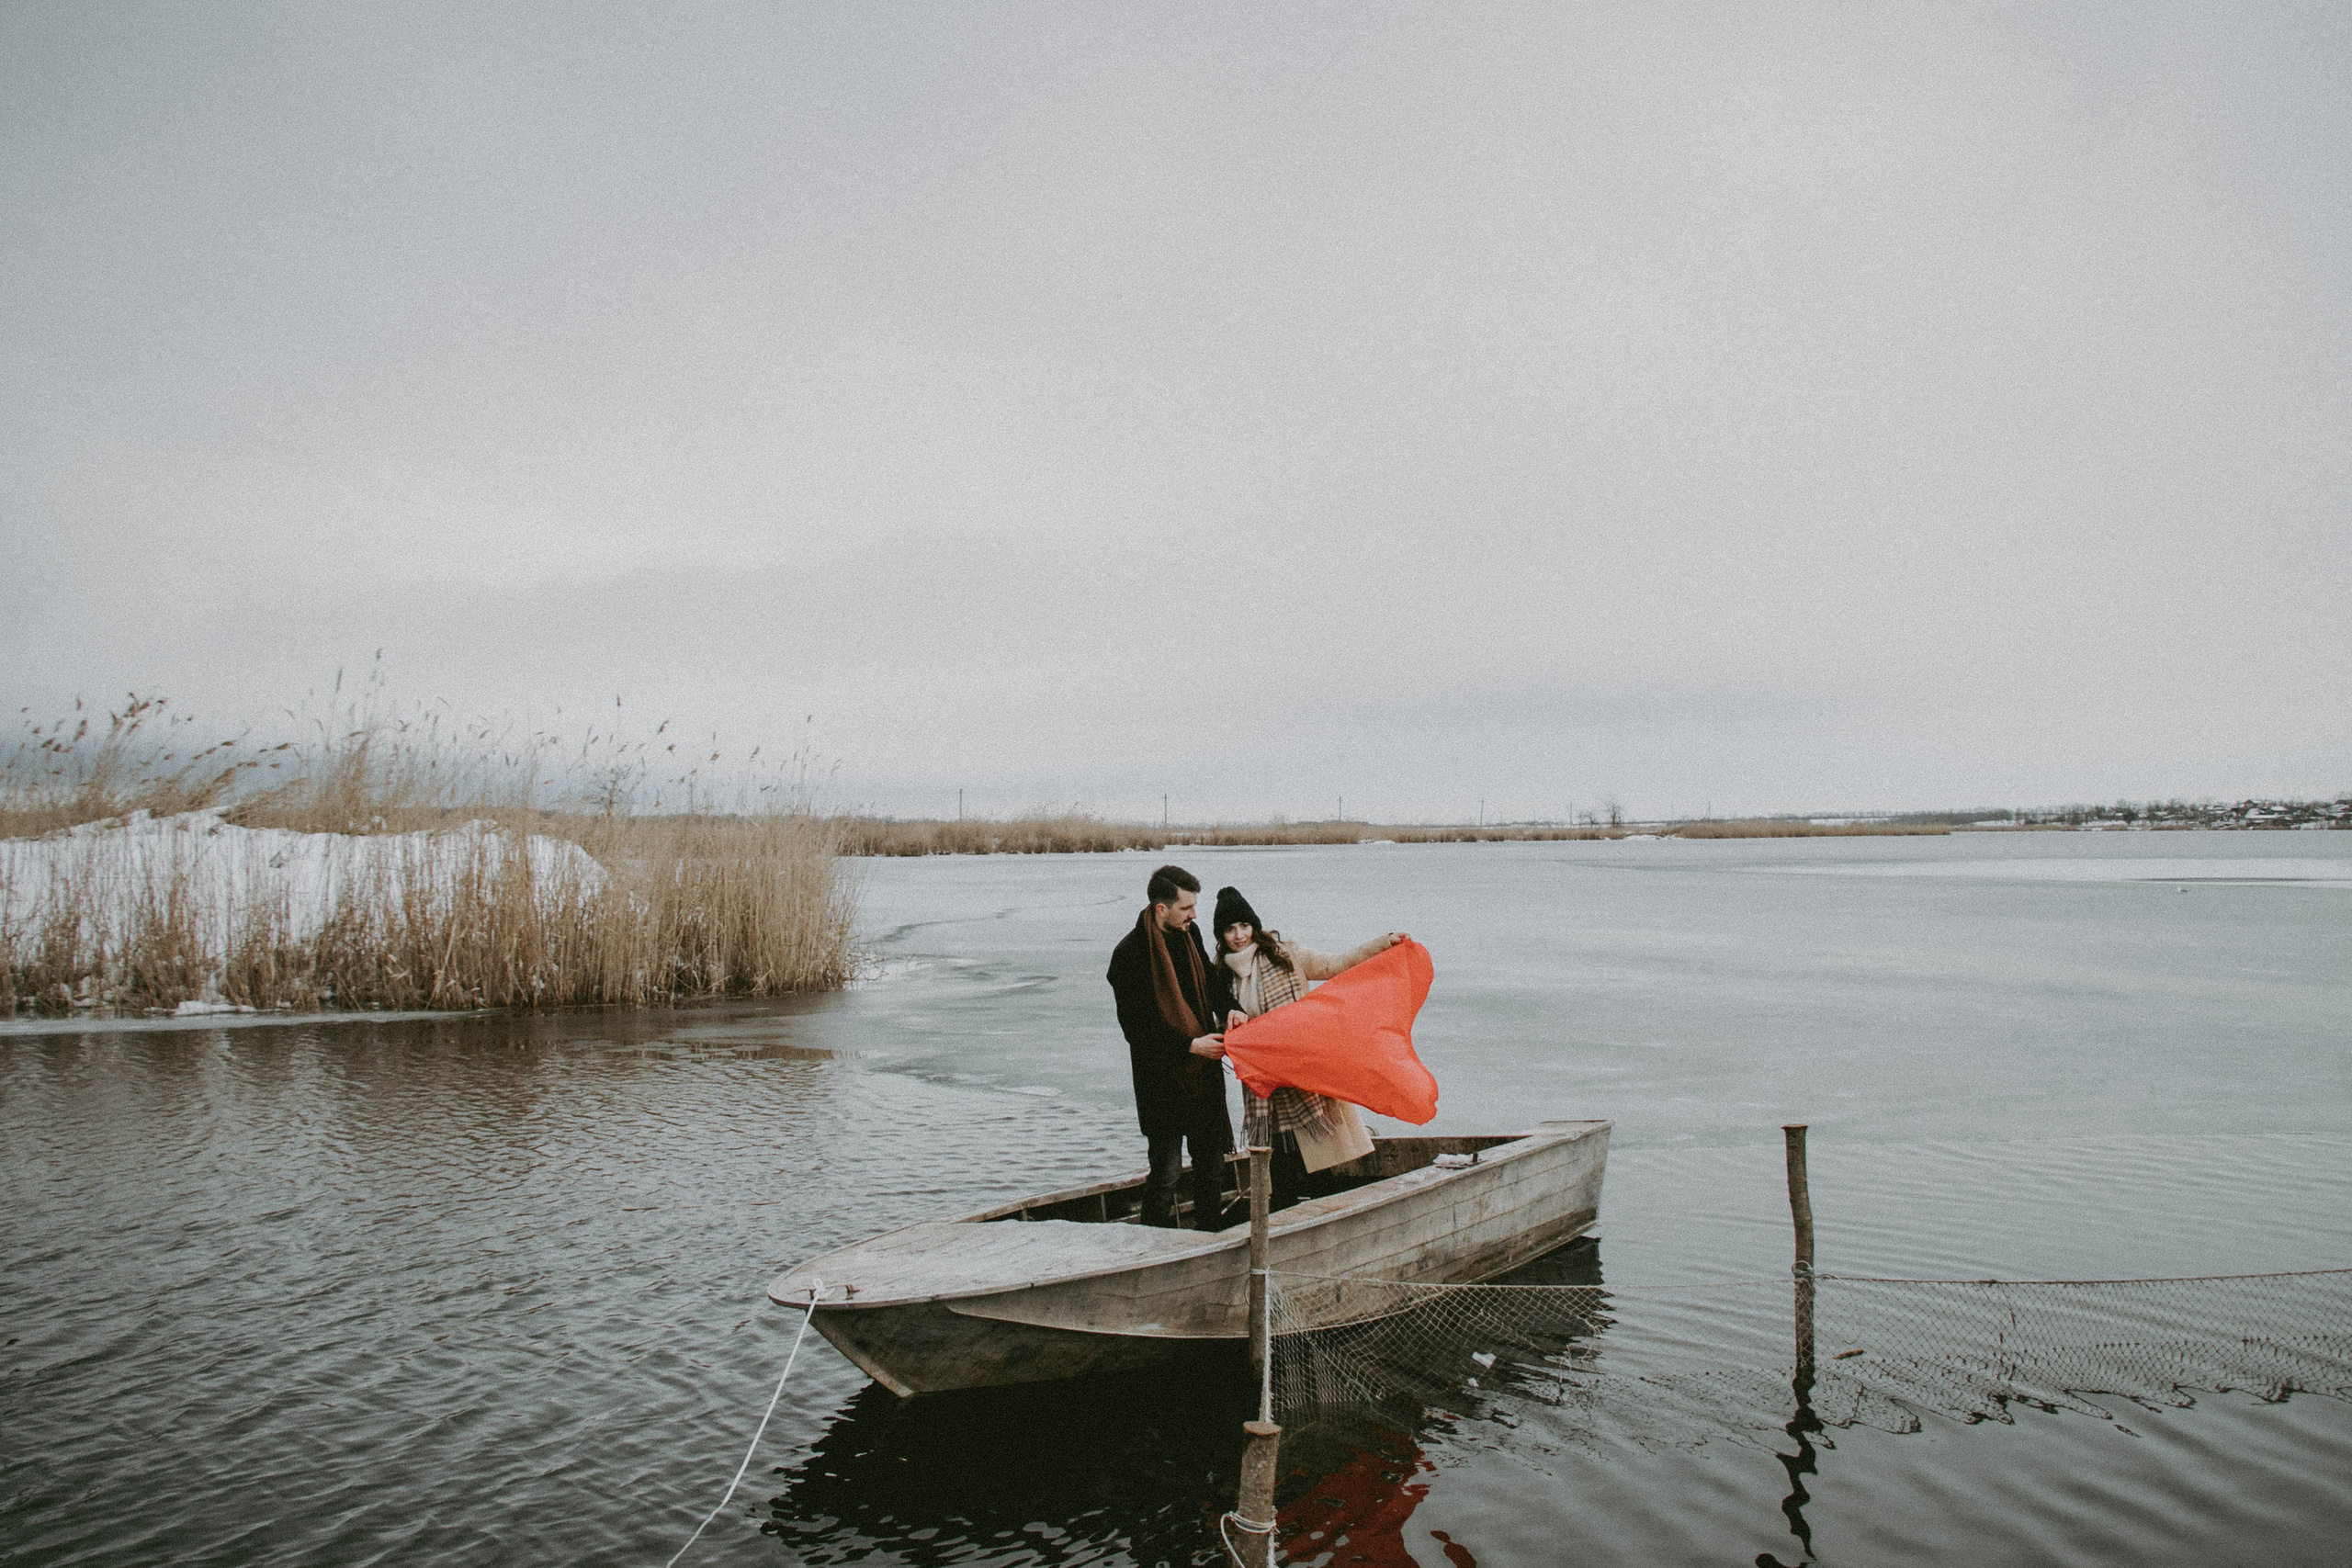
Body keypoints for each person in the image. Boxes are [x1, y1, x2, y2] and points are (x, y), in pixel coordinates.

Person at [1211, 885, 1408, 1209]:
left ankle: (1327, 1224)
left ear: (1254, 926)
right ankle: (1285, 1227)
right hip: (1264, 1088)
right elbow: (1223, 1023)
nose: (1239, 936)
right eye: (1230, 929)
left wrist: (1384, 944)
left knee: (1319, 1166)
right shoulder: (1219, 976)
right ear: (1221, 935)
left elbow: (1336, 965)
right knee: (1279, 1167)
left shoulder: (1286, 955)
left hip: (1304, 1077)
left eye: (1244, 926)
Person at [1106, 864, 1236, 1227]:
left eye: (1195, 907)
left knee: (1212, 1166)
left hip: (1203, 1076)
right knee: (1166, 1174)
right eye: (1186, 908)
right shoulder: (1128, 955)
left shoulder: (1190, 936)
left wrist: (1230, 1009)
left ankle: (1211, 1235)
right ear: (1161, 909)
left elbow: (1210, 983)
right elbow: (1137, 1030)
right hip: (1160, 1081)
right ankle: (1152, 1246)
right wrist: (1190, 1046)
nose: (1194, 915)